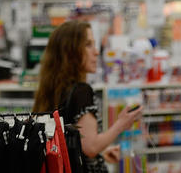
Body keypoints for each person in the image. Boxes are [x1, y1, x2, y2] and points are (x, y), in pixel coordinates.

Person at [33, 20, 143, 171]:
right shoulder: (81, 91)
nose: (96, 52)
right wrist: (121, 124)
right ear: (71, 51)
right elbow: (91, 147)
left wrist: (101, 155)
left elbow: (72, 148)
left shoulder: (51, 91)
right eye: (88, 45)